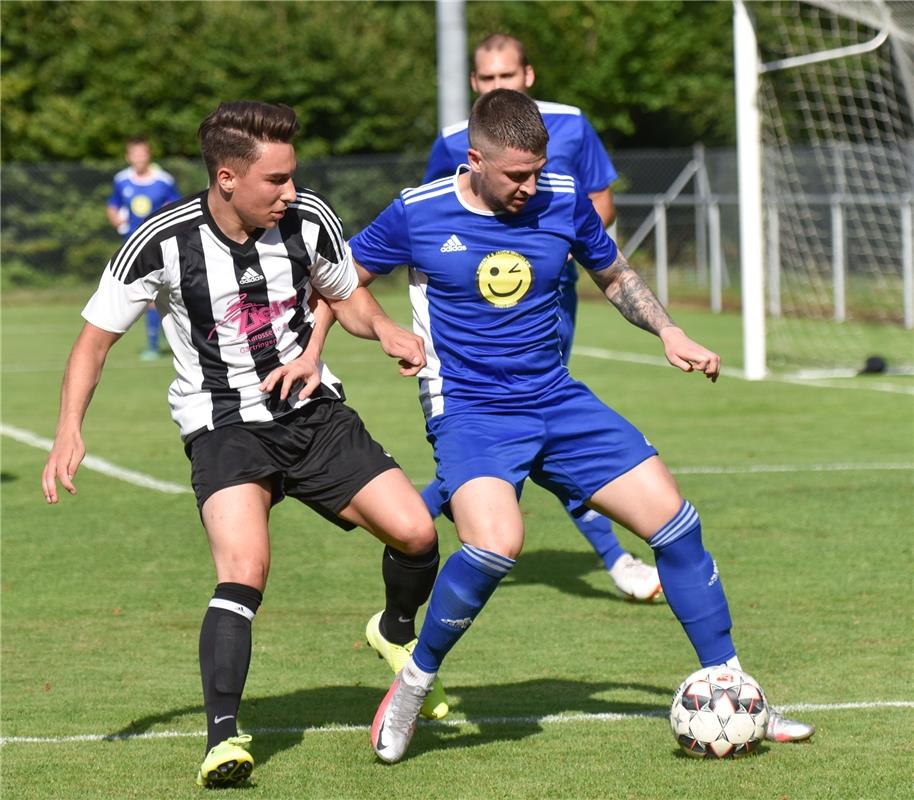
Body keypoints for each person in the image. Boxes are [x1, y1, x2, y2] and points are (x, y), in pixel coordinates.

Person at [349, 89, 815, 763]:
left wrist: (668, 330)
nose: (529, 187)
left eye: (537, 172)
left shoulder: (560, 196)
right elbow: (340, 279)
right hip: (473, 410)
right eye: (516, 175)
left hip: (557, 399)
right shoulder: (416, 212)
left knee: (677, 525)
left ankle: (736, 690)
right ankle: (413, 683)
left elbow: (614, 274)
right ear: (474, 159)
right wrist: (388, 330)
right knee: (496, 545)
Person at [42, 101, 448, 788]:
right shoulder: (161, 241)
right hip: (222, 424)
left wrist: (384, 332)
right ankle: (223, 740)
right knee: (244, 570)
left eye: (292, 177)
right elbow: (94, 341)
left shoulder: (308, 218)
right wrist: (68, 429)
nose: (290, 192)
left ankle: (395, 628)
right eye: (276, 181)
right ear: (227, 177)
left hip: (312, 414)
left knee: (415, 532)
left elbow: (346, 295)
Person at [422, 33, 660, 602]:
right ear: (475, 84)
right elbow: (437, 214)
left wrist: (553, 250)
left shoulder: (571, 125)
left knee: (536, 417)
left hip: (549, 303)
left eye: (507, 75)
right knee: (527, 424)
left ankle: (410, 512)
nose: (498, 85)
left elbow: (597, 203)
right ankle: (616, 557)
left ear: (527, 75)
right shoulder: (453, 141)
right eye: (487, 78)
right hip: (478, 314)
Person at [106, 137, 181, 360]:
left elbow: (175, 206)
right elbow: (113, 205)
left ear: (149, 155)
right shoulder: (121, 180)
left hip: (160, 244)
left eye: (142, 153)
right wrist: (116, 220)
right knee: (149, 295)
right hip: (133, 245)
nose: (139, 158)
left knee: (165, 291)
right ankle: (154, 344)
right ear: (128, 157)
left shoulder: (163, 180)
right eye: (134, 154)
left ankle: (166, 333)